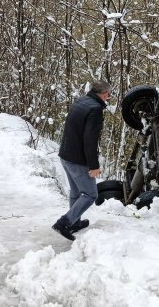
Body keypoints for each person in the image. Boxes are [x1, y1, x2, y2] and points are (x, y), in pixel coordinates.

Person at [52, 80, 111, 241]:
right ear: (104, 94)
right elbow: (90, 140)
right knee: (90, 194)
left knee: (77, 192)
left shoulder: (81, 101)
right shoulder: (95, 109)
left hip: (66, 155)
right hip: (78, 159)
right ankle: (64, 223)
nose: (108, 98)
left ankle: (74, 223)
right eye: (108, 95)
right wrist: (93, 165)